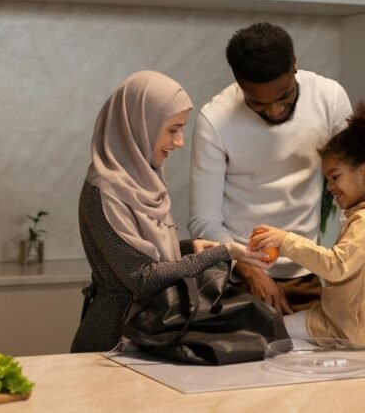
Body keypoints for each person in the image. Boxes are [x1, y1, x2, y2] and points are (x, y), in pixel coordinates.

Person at [70, 70, 273, 353]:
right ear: (142, 125)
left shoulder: (142, 181)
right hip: (115, 340)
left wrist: (191, 247)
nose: (179, 142)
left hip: (152, 333)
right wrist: (224, 252)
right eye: (173, 129)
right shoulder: (105, 190)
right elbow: (141, 278)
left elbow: (142, 254)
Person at [189, 22, 352, 314]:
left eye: (284, 97)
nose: (275, 111)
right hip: (238, 278)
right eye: (258, 105)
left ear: (295, 65)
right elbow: (205, 220)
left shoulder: (330, 99)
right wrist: (247, 268)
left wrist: (344, 264)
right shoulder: (214, 119)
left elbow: (352, 193)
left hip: (306, 273)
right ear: (239, 84)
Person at [250, 101, 365, 348]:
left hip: (349, 329)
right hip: (361, 326)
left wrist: (285, 240)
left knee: (268, 332)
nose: (330, 186)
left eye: (335, 176)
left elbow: (337, 265)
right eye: (327, 178)